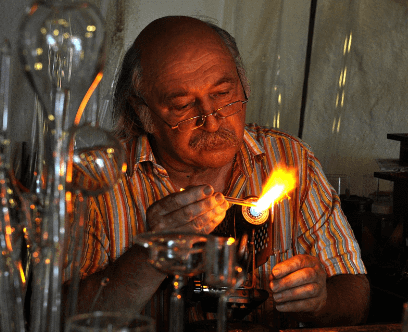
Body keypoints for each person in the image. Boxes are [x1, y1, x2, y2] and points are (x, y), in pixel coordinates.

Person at [69, 16, 370, 329]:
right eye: (183, 105)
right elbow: (58, 318)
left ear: (243, 84)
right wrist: (150, 256)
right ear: (143, 112)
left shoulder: (292, 159)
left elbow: (355, 296)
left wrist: (320, 301)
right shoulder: (93, 180)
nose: (211, 121)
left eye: (223, 94)